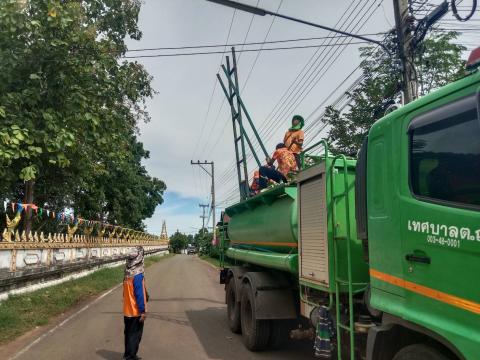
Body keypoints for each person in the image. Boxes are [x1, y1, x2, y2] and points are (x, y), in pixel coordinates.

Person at [123, 246, 147, 360]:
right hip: (135, 312)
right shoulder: (138, 274)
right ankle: (131, 357)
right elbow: (139, 294)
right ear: (140, 257)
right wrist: (142, 311)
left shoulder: (127, 271)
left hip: (127, 311)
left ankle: (127, 355)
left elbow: (125, 292)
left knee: (128, 335)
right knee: (135, 336)